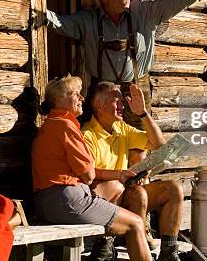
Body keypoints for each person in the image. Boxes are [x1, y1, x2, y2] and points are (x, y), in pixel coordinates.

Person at [45, 0, 207, 127]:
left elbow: (175, 2)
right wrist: (40, 13)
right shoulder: (88, 20)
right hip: (101, 90)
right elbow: (61, 23)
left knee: (138, 147)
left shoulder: (144, 13)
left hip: (136, 88)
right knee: (100, 141)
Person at [31, 75, 153, 261]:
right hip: (68, 200)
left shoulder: (50, 124)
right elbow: (88, 175)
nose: (82, 98)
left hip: (46, 202)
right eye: (76, 94)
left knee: (117, 194)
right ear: (59, 100)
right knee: (136, 223)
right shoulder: (66, 126)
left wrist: (117, 174)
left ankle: (104, 247)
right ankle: (105, 247)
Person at [82, 81, 184, 261]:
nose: (122, 106)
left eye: (122, 102)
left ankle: (169, 252)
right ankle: (111, 244)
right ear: (99, 105)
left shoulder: (121, 128)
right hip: (104, 198)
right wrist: (120, 176)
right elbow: (87, 175)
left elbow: (159, 145)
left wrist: (143, 113)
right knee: (138, 194)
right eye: (117, 102)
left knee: (173, 189)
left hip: (126, 191)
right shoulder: (87, 135)